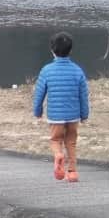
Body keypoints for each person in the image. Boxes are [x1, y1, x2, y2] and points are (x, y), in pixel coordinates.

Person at [32, 32, 90, 182]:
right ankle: (72, 172)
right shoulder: (78, 71)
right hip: (73, 115)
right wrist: (84, 115)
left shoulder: (46, 70)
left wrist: (37, 111)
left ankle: (58, 155)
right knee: (71, 142)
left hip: (55, 116)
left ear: (52, 50)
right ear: (70, 50)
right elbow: (83, 95)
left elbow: (39, 94)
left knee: (55, 140)